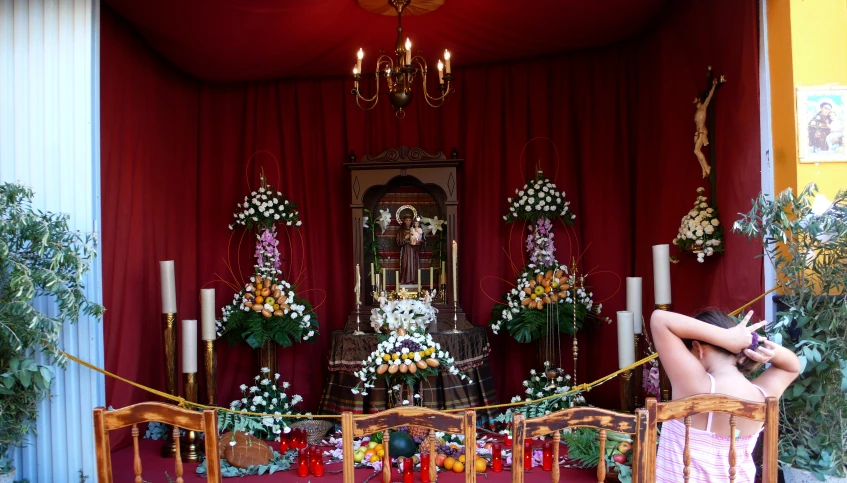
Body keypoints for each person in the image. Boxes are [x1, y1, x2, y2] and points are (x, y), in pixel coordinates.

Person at [651, 309, 800, 483]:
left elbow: (659, 319)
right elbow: (792, 367)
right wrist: (769, 351)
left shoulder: (695, 386)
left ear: (698, 349)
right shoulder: (761, 395)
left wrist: (728, 338)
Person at [395, 214, 422, 285]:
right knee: (405, 265)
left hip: (413, 250)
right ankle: (405, 281)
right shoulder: (401, 231)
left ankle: (414, 281)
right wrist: (406, 238)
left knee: (414, 265)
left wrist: (417, 241)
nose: (408, 222)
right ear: (403, 221)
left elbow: (420, 238)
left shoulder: (414, 229)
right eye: (406, 220)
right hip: (405, 251)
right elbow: (398, 242)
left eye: (410, 220)